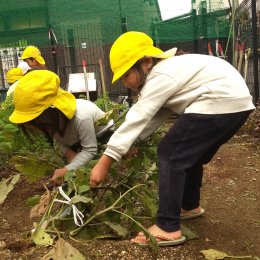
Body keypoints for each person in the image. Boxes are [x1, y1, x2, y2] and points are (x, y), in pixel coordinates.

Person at [89, 31, 255, 246]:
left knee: (170, 154)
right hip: (235, 105)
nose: (125, 83)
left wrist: (105, 161)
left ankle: (167, 226)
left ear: (147, 61)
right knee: (189, 156)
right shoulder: (169, 71)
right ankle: (189, 205)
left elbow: (137, 117)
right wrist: (132, 142)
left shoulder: (161, 75)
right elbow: (153, 117)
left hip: (218, 101)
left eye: (126, 75)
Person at [9, 70, 113, 183]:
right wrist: (68, 152)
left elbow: (90, 149)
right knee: (76, 164)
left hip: (104, 136)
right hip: (79, 142)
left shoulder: (81, 117)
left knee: (98, 165)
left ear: (47, 115)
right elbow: (60, 141)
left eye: (35, 124)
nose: (36, 129)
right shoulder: (51, 123)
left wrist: (66, 170)